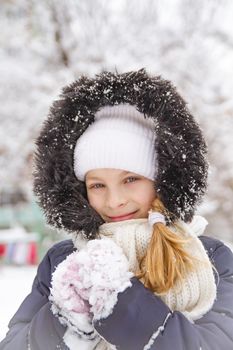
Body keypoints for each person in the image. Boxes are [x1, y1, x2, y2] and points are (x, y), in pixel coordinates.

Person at [1, 69, 233, 350]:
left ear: (160, 180)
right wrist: (65, 318)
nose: (114, 201)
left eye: (131, 179)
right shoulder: (62, 261)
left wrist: (121, 300)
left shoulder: (211, 258)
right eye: (98, 185)